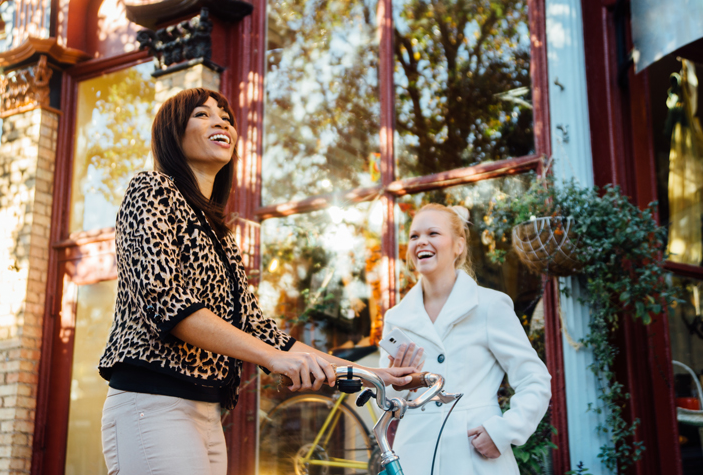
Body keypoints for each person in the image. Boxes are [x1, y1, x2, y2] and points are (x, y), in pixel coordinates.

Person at [98, 88, 415, 475]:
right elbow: (166, 303)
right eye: (202, 114)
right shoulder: (150, 190)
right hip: (152, 403)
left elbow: (258, 329)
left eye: (226, 117)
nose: (221, 122)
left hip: (208, 413)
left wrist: (374, 375)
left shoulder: (220, 233)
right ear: (172, 134)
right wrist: (274, 360)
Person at [379, 203, 551, 475]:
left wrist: (504, 432)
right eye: (414, 236)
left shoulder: (489, 306)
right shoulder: (397, 317)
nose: (421, 241)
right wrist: (395, 381)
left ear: (459, 246)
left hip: (475, 453)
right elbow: (385, 398)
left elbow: (534, 379)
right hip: (415, 452)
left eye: (433, 233)